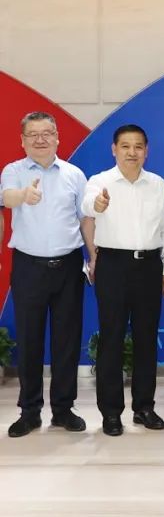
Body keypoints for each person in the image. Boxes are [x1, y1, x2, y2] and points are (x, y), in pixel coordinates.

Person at [82, 124, 164, 436]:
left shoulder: (158, 184)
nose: (132, 152)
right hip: (112, 266)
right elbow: (87, 205)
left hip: (149, 266)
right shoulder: (100, 182)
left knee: (146, 339)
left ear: (146, 151)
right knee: (111, 340)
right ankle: (111, 413)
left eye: (138, 146)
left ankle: (144, 407)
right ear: (114, 150)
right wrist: (97, 205)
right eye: (125, 146)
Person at [2, 111, 94, 437]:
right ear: (23, 140)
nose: (40, 139)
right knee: (30, 341)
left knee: (66, 341)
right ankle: (29, 412)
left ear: (57, 137)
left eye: (46, 133)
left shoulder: (74, 174)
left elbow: (85, 219)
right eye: (33, 134)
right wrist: (24, 196)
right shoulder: (13, 171)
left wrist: (94, 256)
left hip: (68, 266)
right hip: (29, 267)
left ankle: (63, 410)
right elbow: (6, 197)